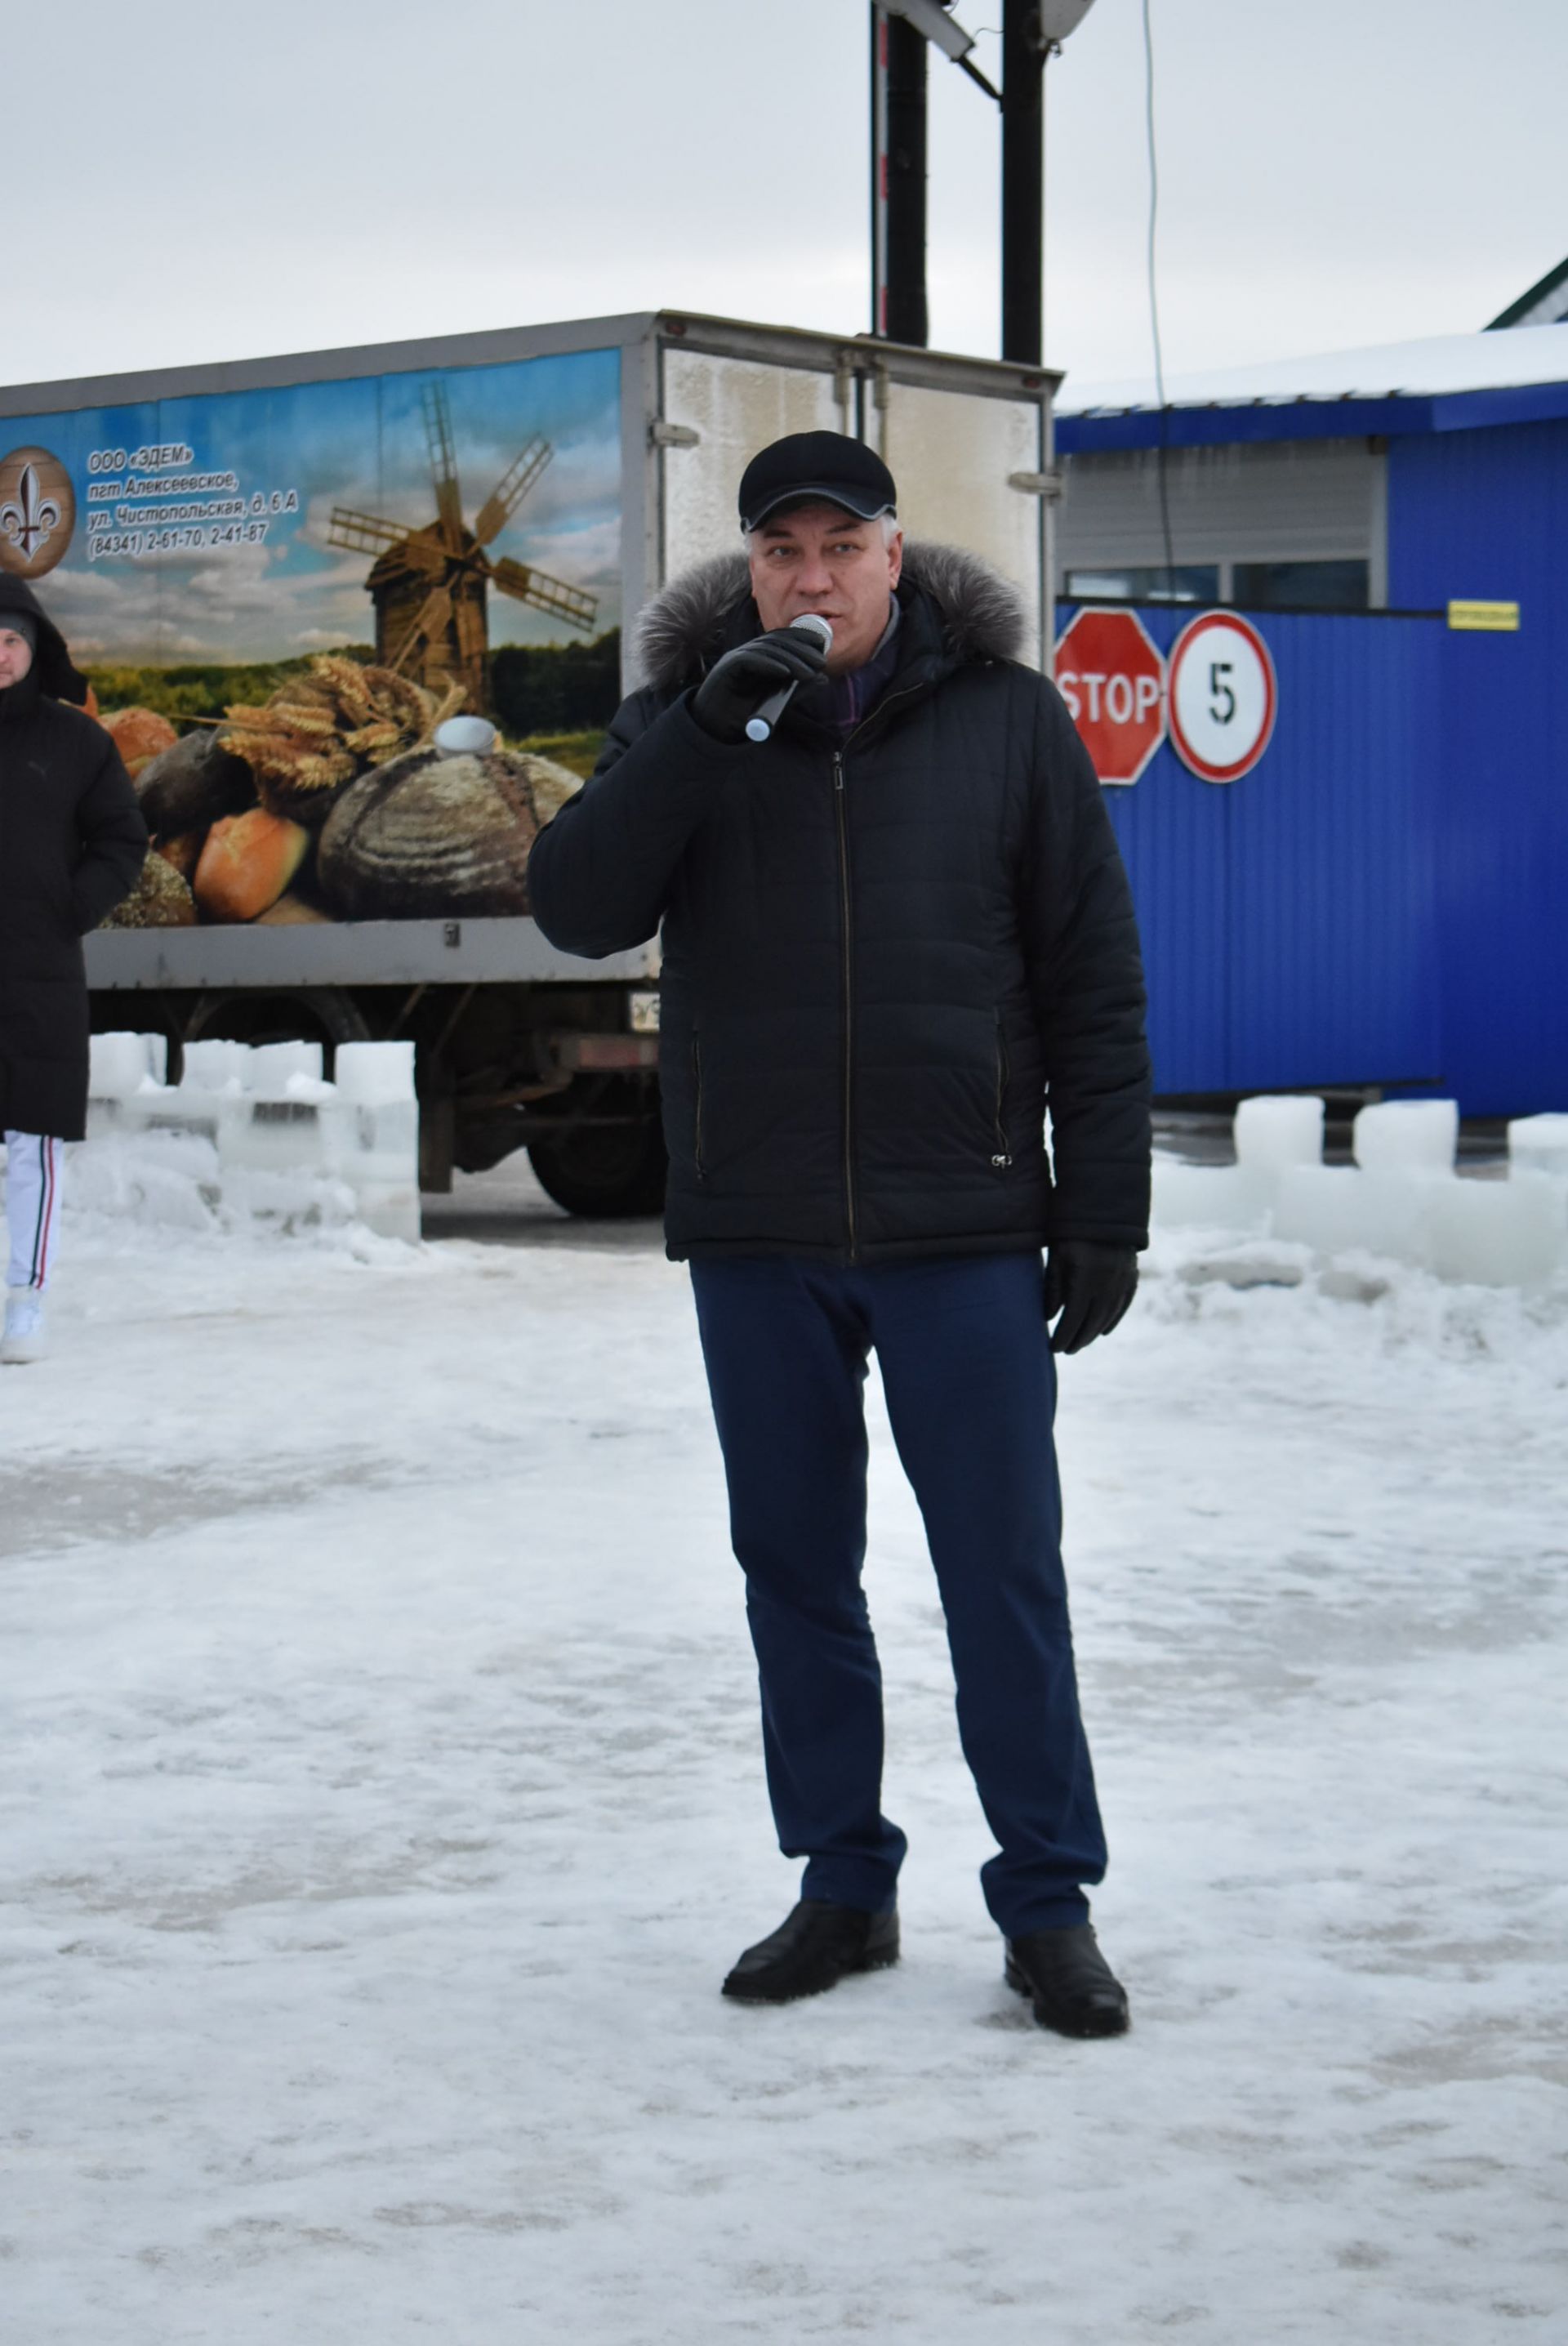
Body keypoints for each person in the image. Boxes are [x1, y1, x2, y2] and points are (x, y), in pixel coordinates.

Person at [528, 431, 1151, 2037]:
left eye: (843, 545)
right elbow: (578, 903)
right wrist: (700, 735)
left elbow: (1091, 977)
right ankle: (842, 1882)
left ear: (895, 553)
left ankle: (1048, 1901)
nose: (815, 576)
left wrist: (1105, 1209)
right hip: (761, 1229)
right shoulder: (688, 721)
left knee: (1003, 1570)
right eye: (782, 551)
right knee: (795, 1571)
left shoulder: (1011, 723)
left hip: (965, 1226)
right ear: (753, 569)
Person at [0, 578, 147, 1363]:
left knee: (32, 1144)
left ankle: (24, 1299)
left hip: (39, 970)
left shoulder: (77, 743)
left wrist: (70, 907)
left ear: (34, 649)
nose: (0, 654)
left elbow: (122, 840)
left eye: (12, 640)